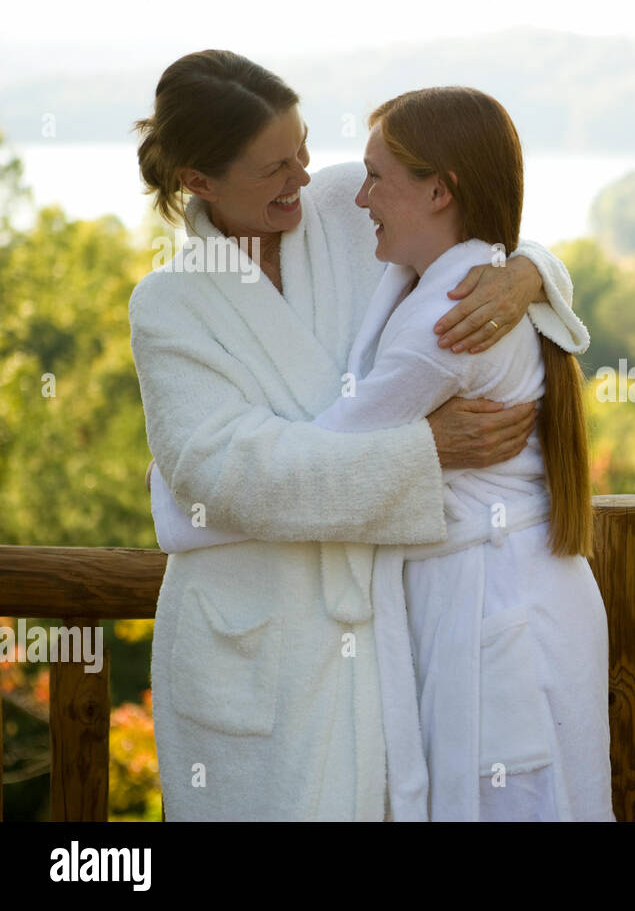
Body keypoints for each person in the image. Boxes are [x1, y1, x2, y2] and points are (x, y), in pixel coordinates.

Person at [129, 49, 590, 820]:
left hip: (384, 625)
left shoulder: (350, 203)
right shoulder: (169, 307)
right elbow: (229, 476)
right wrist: (422, 453)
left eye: (303, 147)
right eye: (275, 167)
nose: (303, 177)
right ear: (200, 183)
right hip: (251, 635)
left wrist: (529, 270)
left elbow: (474, 220)